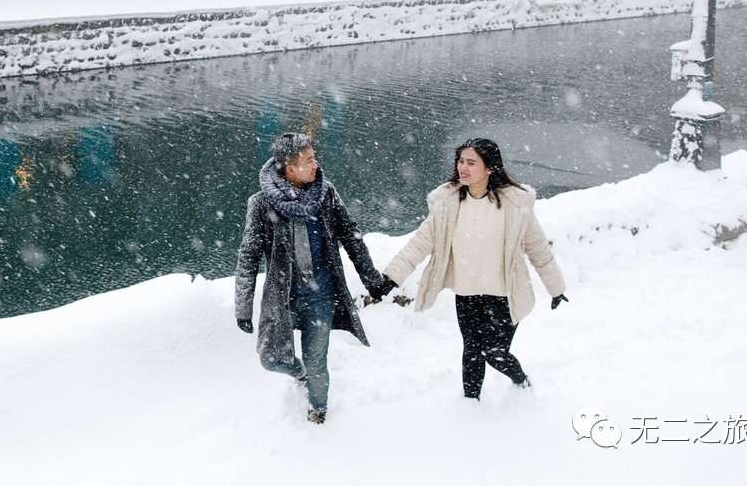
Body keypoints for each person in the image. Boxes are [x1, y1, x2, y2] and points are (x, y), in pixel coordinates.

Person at [371, 137, 568, 401]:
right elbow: (419, 244)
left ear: (490, 168)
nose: (463, 167)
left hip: (504, 295)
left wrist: (556, 289)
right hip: (467, 295)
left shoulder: (515, 206)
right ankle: (470, 405)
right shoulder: (448, 205)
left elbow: (539, 251)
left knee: (495, 353)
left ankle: (522, 383)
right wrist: (391, 278)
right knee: (473, 351)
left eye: (471, 162)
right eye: (461, 161)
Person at [234, 132, 389, 424]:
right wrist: (243, 307)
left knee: (318, 362)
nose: (316, 164)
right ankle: (298, 372)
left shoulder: (325, 194)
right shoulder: (261, 204)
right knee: (271, 360)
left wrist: (373, 280)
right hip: (283, 299)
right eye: (308, 160)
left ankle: (318, 413)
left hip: (321, 297)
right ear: (289, 168)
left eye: (314, 158)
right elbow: (248, 256)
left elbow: (352, 238)